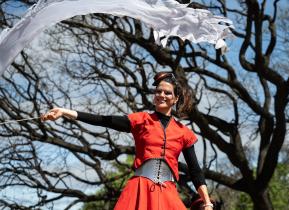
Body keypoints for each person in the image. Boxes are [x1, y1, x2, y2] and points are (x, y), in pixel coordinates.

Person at [41, 72, 214, 210]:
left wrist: (207, 203)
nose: (161, 95)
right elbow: (104, 120)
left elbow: (195, 171)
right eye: (158, 91)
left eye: (167, 92)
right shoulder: (142, 119)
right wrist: (65, 112)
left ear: (175, 99)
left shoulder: (184, 132)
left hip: (168, 193)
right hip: (140, 189)